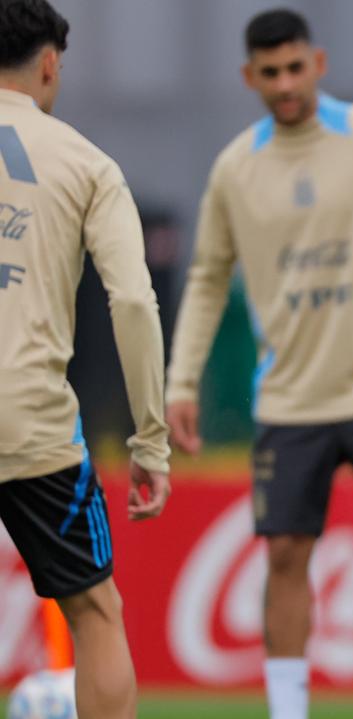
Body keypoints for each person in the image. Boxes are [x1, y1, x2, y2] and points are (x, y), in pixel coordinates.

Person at [164, 9, 353, 719]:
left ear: (319, 63)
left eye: (295, 67)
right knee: (283, 557)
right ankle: (287, 710)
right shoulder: (235, 167)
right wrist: (181, 381)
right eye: (269, 73)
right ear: (250, 77)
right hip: (289, 400)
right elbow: (207, 279)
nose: (285, 83)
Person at [0, 1, 172, 716]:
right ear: (48, 64)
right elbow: (132, 300)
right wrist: (150, 439)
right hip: (31, 427)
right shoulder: (88, 163)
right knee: (96, 611)